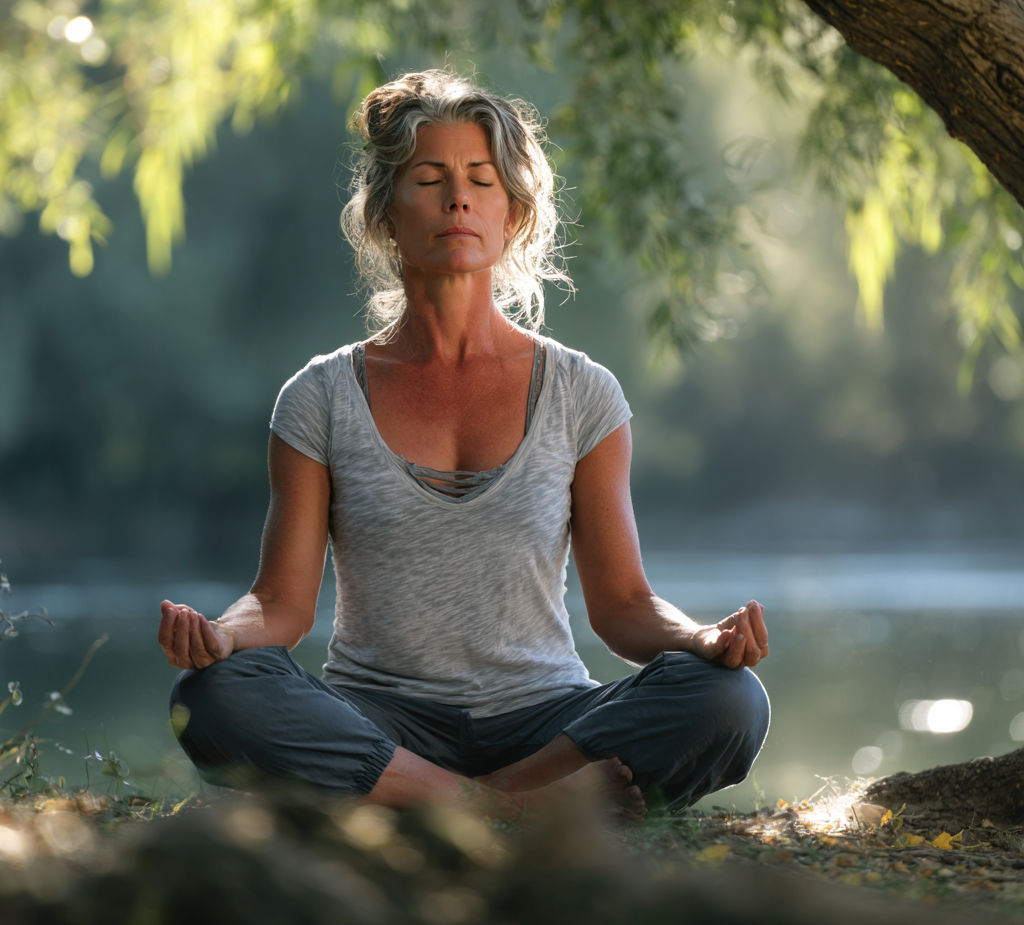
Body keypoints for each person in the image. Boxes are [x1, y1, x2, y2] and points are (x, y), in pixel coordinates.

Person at [158, 70, 770, 821]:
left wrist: (700, 637)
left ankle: (466, 799)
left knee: (727, 699)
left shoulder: (583, 392)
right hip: (381, 723)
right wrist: (223, 634)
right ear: (385, 215)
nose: (458, 199)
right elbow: (283, 603)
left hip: (549, 722)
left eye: (481, 180)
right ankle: (508, 811)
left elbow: (625, 607)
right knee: (218, 694)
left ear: (511, 214)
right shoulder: (318, 396)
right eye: (429, 178)